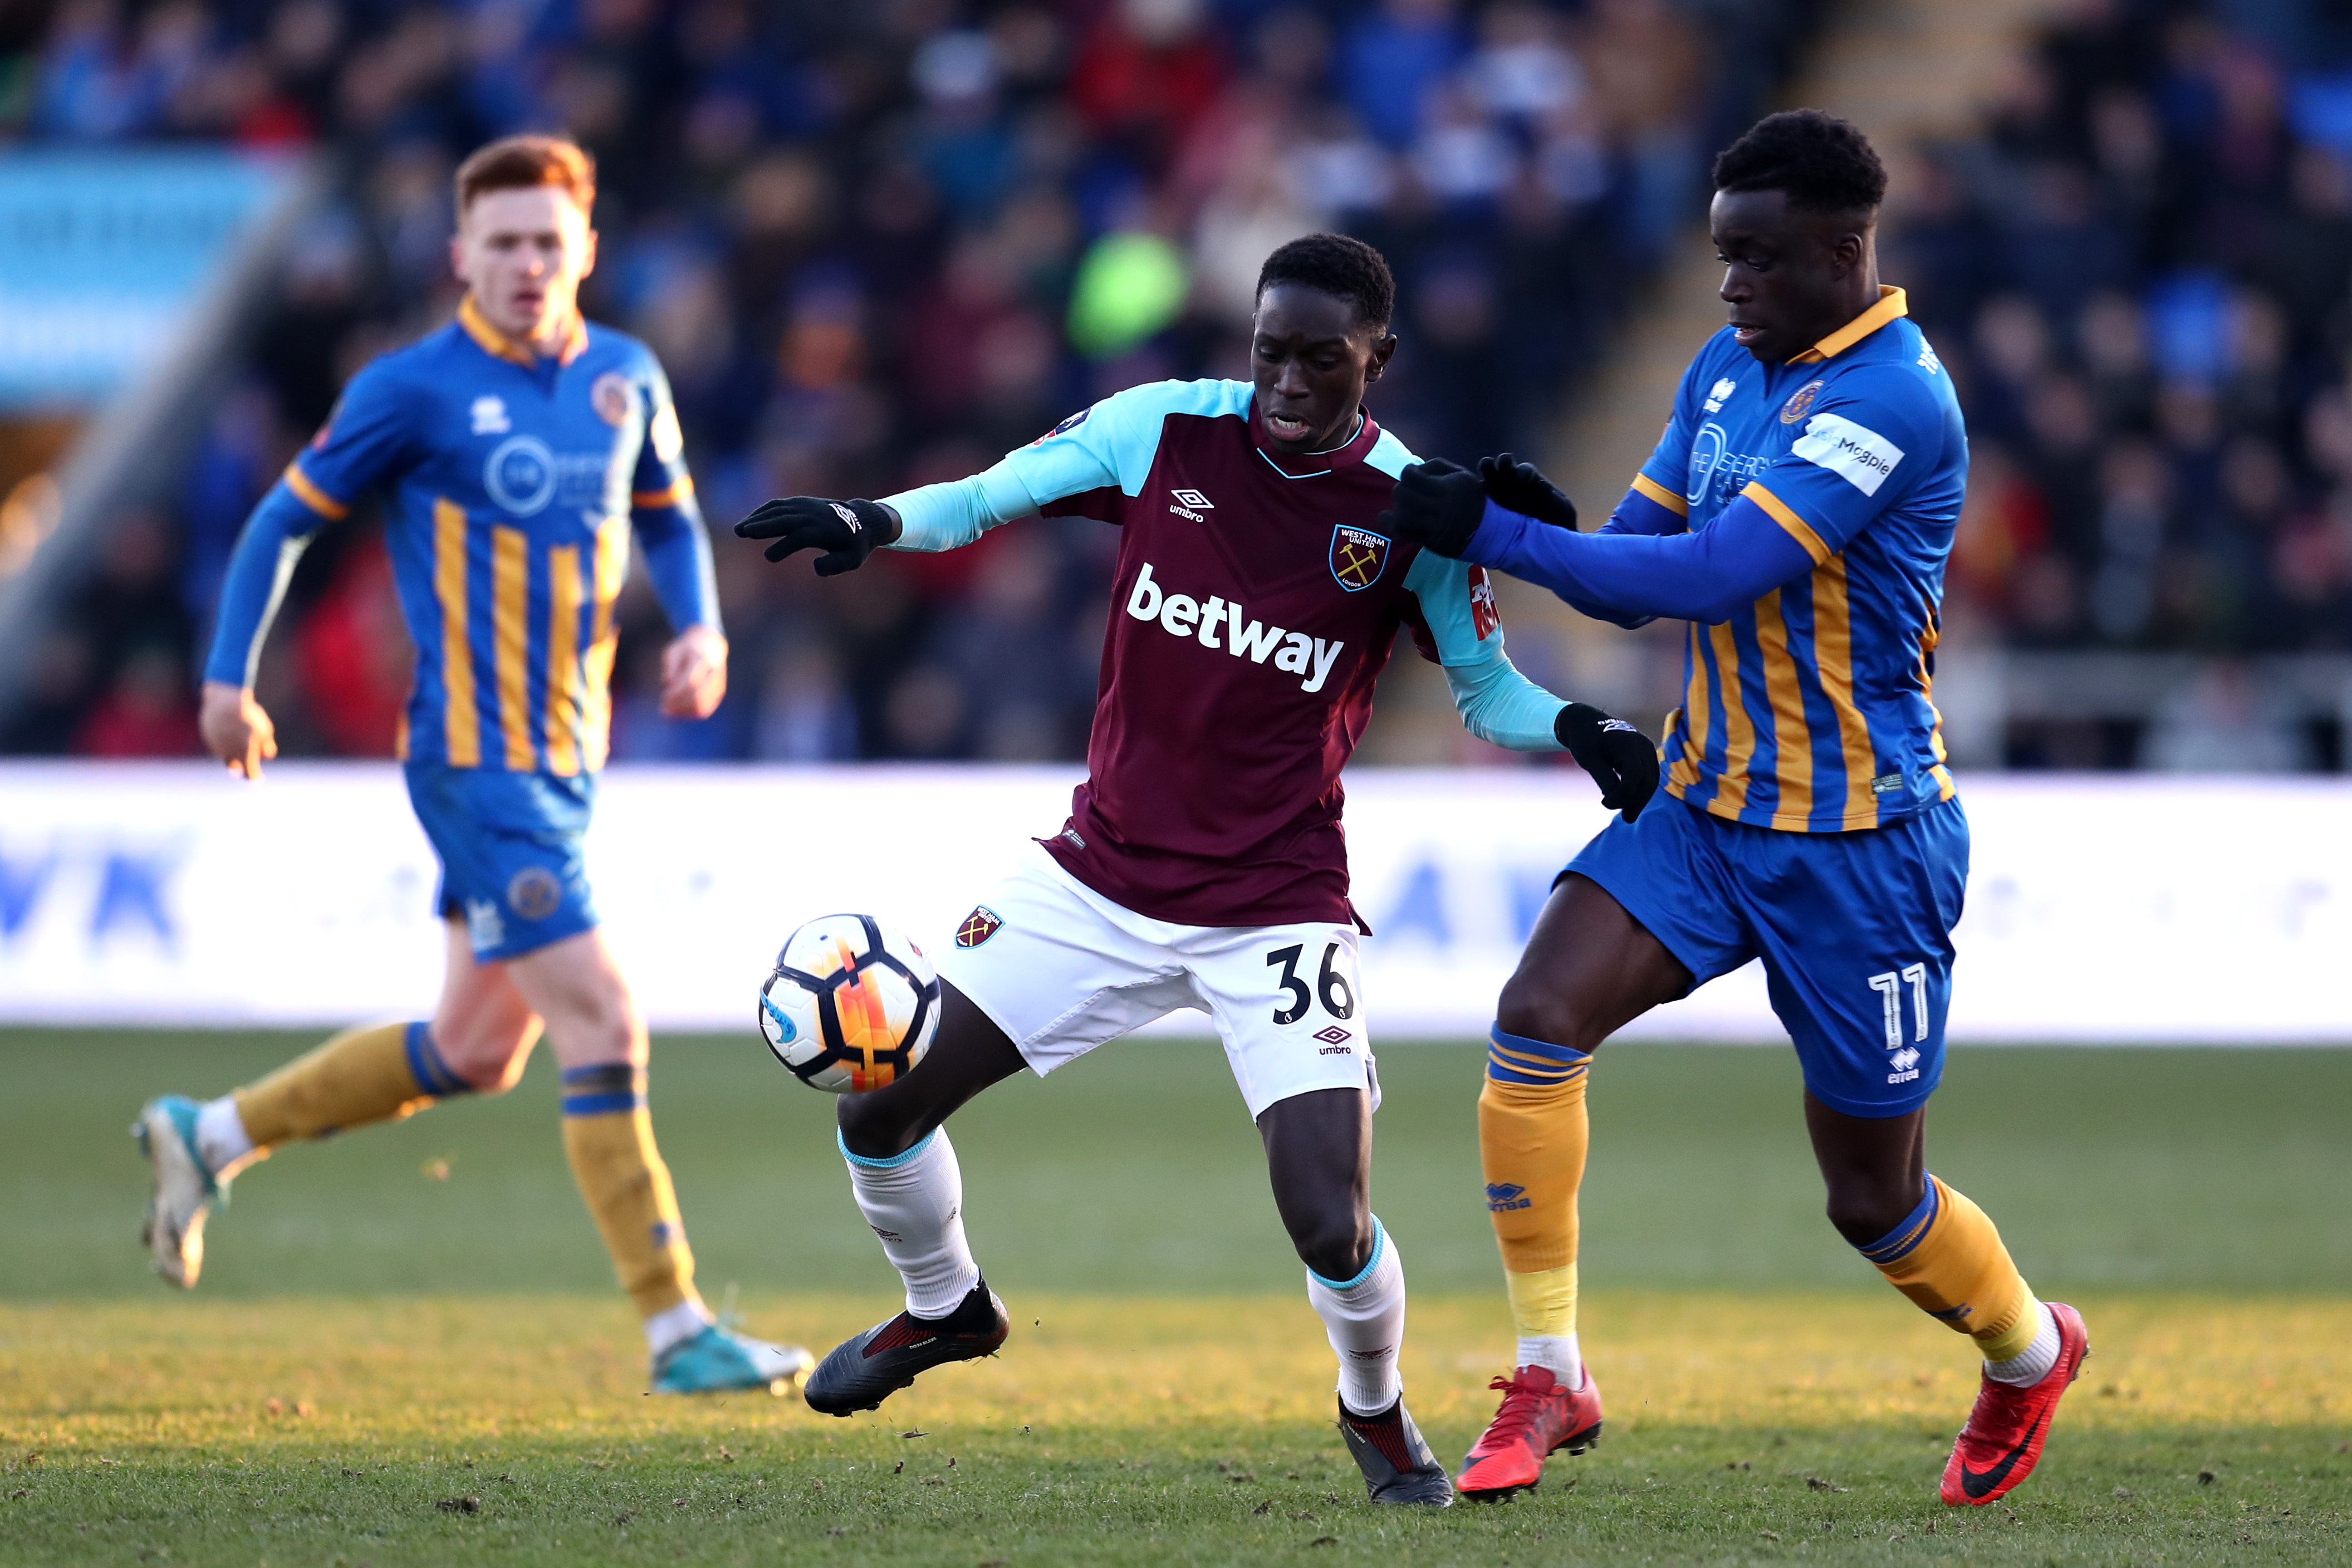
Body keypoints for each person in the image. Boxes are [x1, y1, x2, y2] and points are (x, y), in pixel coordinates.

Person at [734, 233, 1658, 1506]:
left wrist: (1579, 728)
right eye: (1269, 348)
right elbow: (990, 495)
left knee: (1327, 1217)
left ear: (1376, 359)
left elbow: (1487, 687)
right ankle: (946, 1308)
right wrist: (870, 519)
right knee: (877, 1109)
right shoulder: (1162, 428)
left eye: (1319, 358)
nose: (1284, 377)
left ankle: (1377, 1411)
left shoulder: (1414, 507)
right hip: (1095, 878)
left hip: (1272, 908)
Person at [1380, 110, 2088, 1508]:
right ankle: (1550, 1367)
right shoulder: (1726, 368)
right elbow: (1639, 550)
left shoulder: (1896, 398)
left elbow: (1709, 579)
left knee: (1874, 1202)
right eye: (1721, 257)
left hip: (1862, 846)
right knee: (1537, 1016)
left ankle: (2025, 1349)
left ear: (1844, 252)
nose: (1728, 286)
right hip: (1706, 807)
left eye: (1757, 259)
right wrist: (1531, 512)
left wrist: (1493, 537)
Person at [134, 135, 811, 1397]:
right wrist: (229, 678)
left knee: (474, 1048)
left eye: (547, 242)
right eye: (500, 242)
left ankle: (207, 1133)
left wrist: (703, 625)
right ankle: (678, 1330)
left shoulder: (626, 376)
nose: (524, 263)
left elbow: (664, 513)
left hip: (567, 757)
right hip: (473, 757)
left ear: (587, 252)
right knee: (605, 1017)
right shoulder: (413, 389)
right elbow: (283, 520)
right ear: (460, 255)